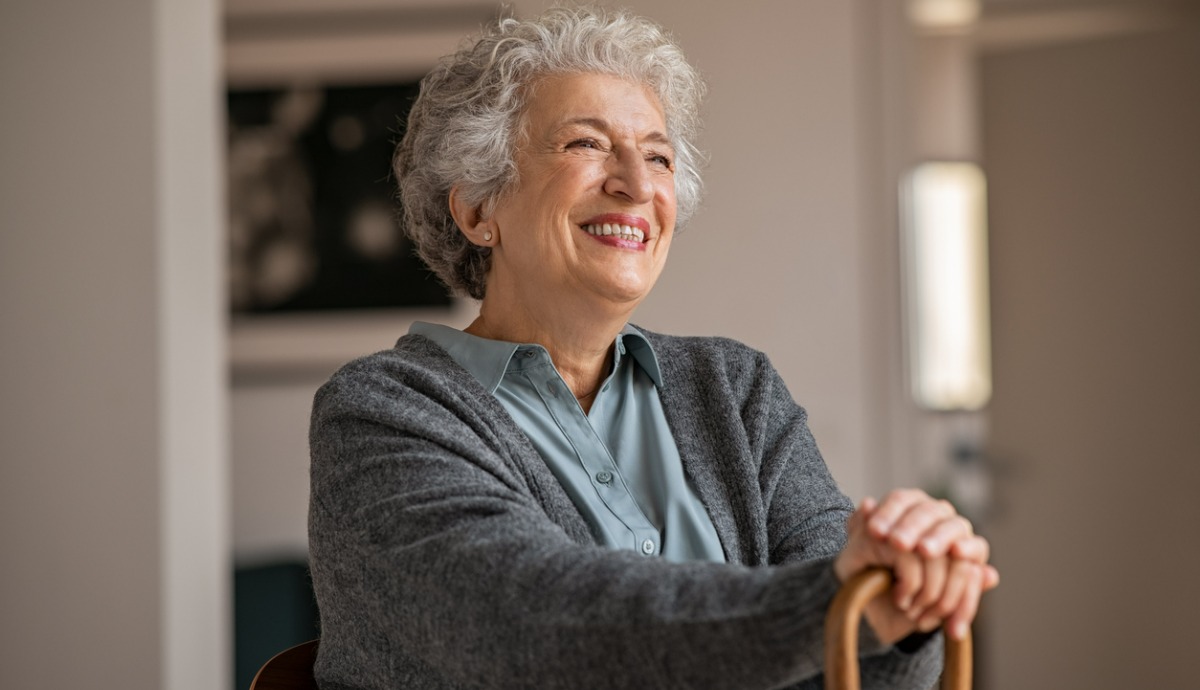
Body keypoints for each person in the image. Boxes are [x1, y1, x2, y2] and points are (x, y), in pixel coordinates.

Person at [308, 7, 998, 689]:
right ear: (478, 210)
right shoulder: (380, 411)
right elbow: (529, 628)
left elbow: (864, 660)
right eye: (585, 144)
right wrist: (836, 602)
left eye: (658, 156)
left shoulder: (733, 387)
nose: (637, 186)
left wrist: (909, 585)